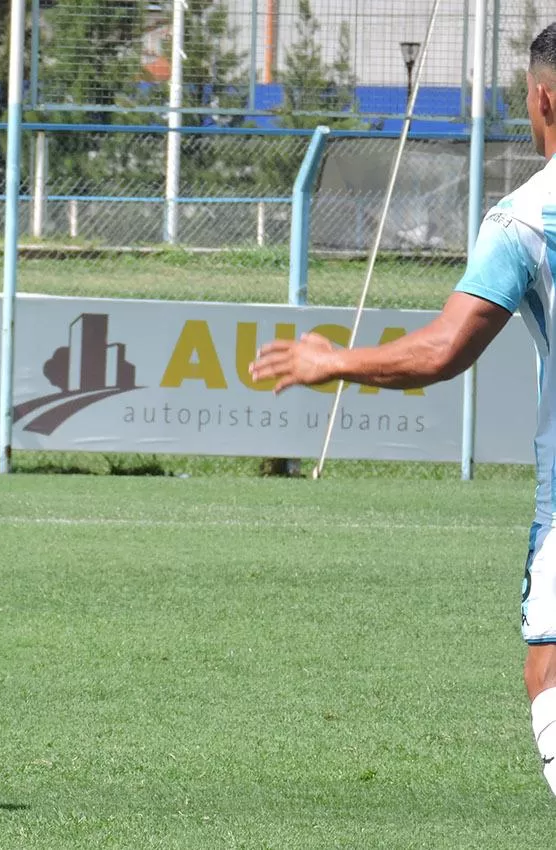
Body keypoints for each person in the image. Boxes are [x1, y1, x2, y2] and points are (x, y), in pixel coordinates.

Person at [248, 22, 556, 799]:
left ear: (544, 100)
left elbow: (445, 348)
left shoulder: (526, 217)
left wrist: (332, 359)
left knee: (550, 669)